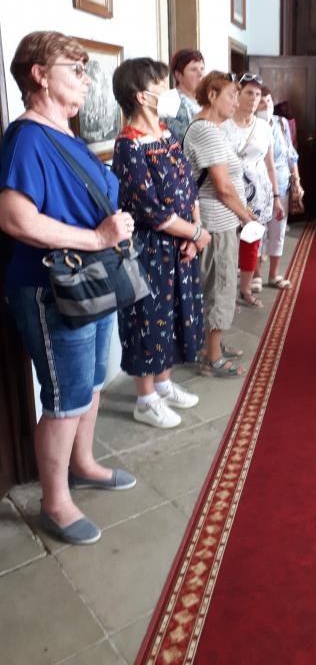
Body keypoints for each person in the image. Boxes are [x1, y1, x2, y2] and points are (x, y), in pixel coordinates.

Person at [0, 31, 136, 546]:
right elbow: (16, 219)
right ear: (39, 75)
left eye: (85, 70)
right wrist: (98, 237)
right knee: (65, 397)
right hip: (52, 287)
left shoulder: (66, 136)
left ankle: (83, 464)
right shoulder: (27, 138)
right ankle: (54, 502)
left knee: (93, 383)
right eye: (75, 69)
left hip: (90, 279)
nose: (85, 79)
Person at [112, 58, 211, 429]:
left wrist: (195, 229)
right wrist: (195, 234)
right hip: (150, 249)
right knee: (148, 319)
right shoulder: (129, 146)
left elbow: (188, 184)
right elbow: (151, 211)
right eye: (160, 85)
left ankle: (165, 384)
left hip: (180, 244)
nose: (168, 91)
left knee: (175, 315)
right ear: (142, 96)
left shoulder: (166, 134)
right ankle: (145, 398)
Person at [183, 71, 253, 377]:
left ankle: (210, 345)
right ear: (212, 95)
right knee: (220, 287)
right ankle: (212, 358)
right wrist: (246, 215)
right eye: (231, 96)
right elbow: (222, 187)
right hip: (216, 221)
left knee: (215, 284)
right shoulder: (207, 131)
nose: (235, 102)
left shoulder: (211, 128)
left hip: (220, 219)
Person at [222, 73, 284, 307]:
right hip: (229, 192)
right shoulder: (223, 126)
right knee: (227, 244)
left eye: (258, 94)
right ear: (238, 94)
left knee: (251, 242)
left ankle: (246, 289)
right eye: (249, 92)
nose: (254, 98)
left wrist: (276, 197)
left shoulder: (264, 127)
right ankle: (225, 293)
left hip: (259, 195)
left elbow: (270, 165)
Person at [255, 86, 303, 289]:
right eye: (261, 101)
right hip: (257, 187)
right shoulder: (250, 125)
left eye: (268, 100)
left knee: (278, 231)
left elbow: (291, 154)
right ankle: (255, 274)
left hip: (282, 184)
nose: (265, 105)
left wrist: (297, 180)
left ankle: (274, 274)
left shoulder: (282, 123)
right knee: (257, 231)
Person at [166, 49, 205, 141]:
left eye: (202, 69)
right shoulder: (173, 101)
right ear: (178, 75)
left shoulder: (205, 100)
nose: (200, 74)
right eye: (193, 69)